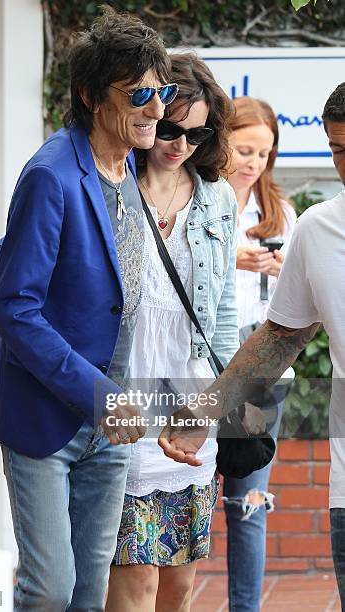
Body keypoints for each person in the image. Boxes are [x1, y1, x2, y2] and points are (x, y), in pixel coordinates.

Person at [0, 10, 177, 612]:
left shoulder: (128, 170)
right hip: (47, 416)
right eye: (139, 93)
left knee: (91, 592)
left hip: (110, 417)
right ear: (90, 95)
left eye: (160, 92)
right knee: (50, 591)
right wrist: (100, 396)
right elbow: (15, 309)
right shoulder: (51, 175)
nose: (156, 109)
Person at [158, 82, 345, 607]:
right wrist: (203, 415)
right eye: (336, 148)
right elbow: (281, 336)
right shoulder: (319, 228)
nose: (343, 163)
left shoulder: (282, 216)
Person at [106, 52, 239, 612]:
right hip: (124, 392)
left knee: (179, 583)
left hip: (192, 400)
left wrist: (226, 409)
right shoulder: (109, 188)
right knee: (134, 578)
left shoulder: (218, 198)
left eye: (197, 132)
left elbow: (225, 316)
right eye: (169, 127)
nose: (180, 143)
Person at [224, 96, 296, 612]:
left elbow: (299, 305)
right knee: (180, 493)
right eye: (244, 149)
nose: (253, 163)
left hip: (265, 367)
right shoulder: (194, 199)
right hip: (204, 364)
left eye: (264, 154)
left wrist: (281, 270)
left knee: (247, 503)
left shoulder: (280, 211)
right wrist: (234, 262)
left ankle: (245, 608)